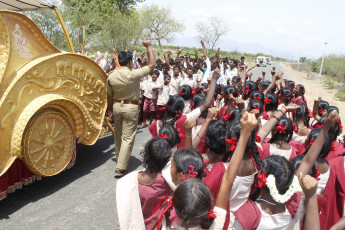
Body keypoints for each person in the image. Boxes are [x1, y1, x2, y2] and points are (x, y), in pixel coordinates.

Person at [107, 40, 156, 177]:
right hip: (130, 107)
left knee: (118, 135)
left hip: (116, 106)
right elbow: (152, 65)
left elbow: (109, 96)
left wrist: (110, 109)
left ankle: (119, 159)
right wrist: (149, 47)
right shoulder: (133, 74)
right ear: (129, 62)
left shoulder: (111, 75)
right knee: (128, 137)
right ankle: (121, 167)